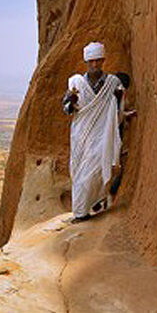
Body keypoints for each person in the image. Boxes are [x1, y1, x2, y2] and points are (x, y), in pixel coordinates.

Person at [62, 42, 133, 222]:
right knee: (79, 171)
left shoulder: (113, 83)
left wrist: (122, 110)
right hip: (81, 135)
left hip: (101, 135)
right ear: (87, 62)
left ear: (103, 61)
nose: (95, 65)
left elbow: (116, 110)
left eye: (98, 61)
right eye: (91, 61)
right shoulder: (76, 82)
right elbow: (67, 109)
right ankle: (91, 202)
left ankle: (81, 212)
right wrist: (70, 99)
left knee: (94, 171)